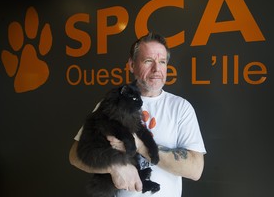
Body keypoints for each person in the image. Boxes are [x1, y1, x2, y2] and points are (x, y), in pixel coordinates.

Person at [69, 32, 206, 197]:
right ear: (132, 65)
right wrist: (114, 167)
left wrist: (140, 146)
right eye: (148, 61)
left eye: (162, 62)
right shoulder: (110, 102)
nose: (157, 69)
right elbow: (75, 155)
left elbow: (195, 169)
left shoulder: (181, 108)